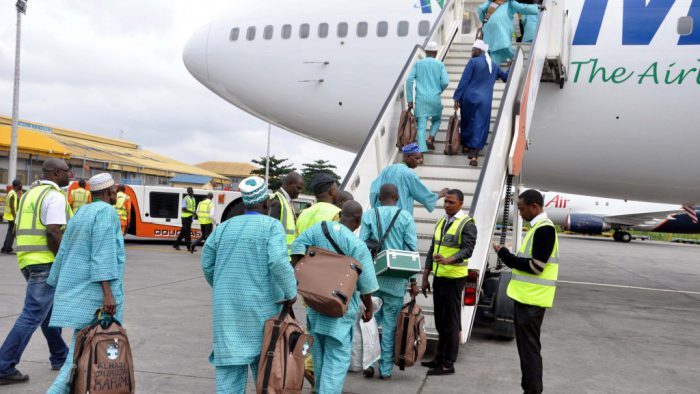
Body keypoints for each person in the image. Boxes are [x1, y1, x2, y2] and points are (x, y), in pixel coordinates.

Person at [202, 176, 297, 394]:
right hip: (261, 311)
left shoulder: (224, 228)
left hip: (227, 311)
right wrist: (290, 292)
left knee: (229, 372)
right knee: (265, 372)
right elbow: (278, 262)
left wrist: (221, 287)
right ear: (265, 203)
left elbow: (207, 264)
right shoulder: (271, 226)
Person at [45, 173, 125, 394]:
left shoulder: (82, 212)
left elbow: (64, 251)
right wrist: (108, 294)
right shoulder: (107, 212)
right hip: (97, 299)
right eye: (115, 190)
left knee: (80, 355)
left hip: (78, 293)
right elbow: (103, 254)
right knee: (83, 360)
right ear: (110, 192)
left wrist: (55, 282)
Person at [291, 201, 379, 394]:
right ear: (358, 220)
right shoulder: (357, 245)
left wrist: (303, 280)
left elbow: (295, 250)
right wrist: (369, 308)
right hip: (340, 310)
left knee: (319, 354)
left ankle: (319, 389)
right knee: (337, 359)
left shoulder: (318, 229)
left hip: (315, 304)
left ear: (340, 214)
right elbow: (366, 285)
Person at [0, 158, 72, 386]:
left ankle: (60, 356)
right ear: (58, 172)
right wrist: (63, 261)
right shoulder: (54, 196)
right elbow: (53, 232)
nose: (70, 176)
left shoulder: (30, 194)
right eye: (68, 172)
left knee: (47, 314)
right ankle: (3, 366)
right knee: (32, 315)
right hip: (45, 262)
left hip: (27, 261)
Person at [492, 189, 558, 394]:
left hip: (532, 301)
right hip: (527, 298)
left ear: (534, 207)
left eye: (521, 209)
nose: (519, 213)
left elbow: (536, 266)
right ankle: (529, 389)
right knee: (527, 350)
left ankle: (532, 391)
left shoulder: (544, 230)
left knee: (529, 351)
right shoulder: (538, 227)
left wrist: (504, 254)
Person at [359, 184, 419, 380]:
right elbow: (411, 250)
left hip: (373, 279)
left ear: (379, 197)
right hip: (396, 280)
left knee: (369, 322)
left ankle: (368, 363)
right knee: (391, 324)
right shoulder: (405, 217)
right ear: (397, 197)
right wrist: (412, 281)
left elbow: (361, 246)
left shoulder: (369, 215)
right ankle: (385, 369)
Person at [421, 189, 477, 376]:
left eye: (451, 202)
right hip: (439, 277)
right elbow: (432, 249)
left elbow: (467, 250)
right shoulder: (441, 221)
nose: (447, 205)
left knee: (451, 322)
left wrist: (449, 260)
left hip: (454, 279)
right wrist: (425, 276)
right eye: (445, 202)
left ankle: (448, 363)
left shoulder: (467, 224)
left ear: (461, 203)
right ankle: (439, 358)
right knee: (440, 321)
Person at [453, 40, 509, 167]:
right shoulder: (493, 66)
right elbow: (506, 77)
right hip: (484, 101)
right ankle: (474, 155)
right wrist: (511, 67)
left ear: (479, 51)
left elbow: (464, 80)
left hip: (468, 98)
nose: (471, 52)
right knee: (480, 124)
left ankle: (466, 145)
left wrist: (457, 97)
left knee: (467, 120)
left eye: (473, 50)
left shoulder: (473, 62)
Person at [370, 143, 448, 215]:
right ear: (407, 157)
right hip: (400, 218)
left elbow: (374, 191)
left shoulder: (386, 170)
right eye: (417, 158)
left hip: (381, 216)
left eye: (420, 158)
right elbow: (424, 195)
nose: (419, 161)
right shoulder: (409, 174)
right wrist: (440, 194)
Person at [406, 41, 450, 152]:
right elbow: (445, 82)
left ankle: (421, 153)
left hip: (421, 100)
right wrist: (439, 90)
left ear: (426, 52)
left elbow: (409, 80)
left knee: (421, 126)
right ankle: (430, 138)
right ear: (435, 53)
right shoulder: (440, 65)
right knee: (437, 120)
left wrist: (410, 100)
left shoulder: (418, 64)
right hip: (435, 98)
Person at [476, 0, 544, 65]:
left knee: (495, 51)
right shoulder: (510, 2)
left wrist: (484, 20)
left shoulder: (490, 2)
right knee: (506, 47)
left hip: (488, 27)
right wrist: (537, 7)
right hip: (501, 26)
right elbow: (522, 8)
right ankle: (514, 59)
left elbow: (480, 9)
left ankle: (494, 70)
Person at [268, 172, 304, 251]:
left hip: (287, 253)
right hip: (279, 253)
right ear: (288, 184)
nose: (300, 191)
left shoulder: (287, 201)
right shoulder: (277, 201)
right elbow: (270, 232)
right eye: (298, 188)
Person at [2, 179, 22, 254]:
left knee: (10, 231)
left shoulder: (13, 193)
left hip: (10, 216)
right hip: (12, 216)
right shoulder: (12, 193)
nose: (21, 185)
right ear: (17, 186)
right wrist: (15, 217)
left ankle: (5, 247)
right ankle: (8, 248)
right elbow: (12, 206)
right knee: (12, 232)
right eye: (20, 184)